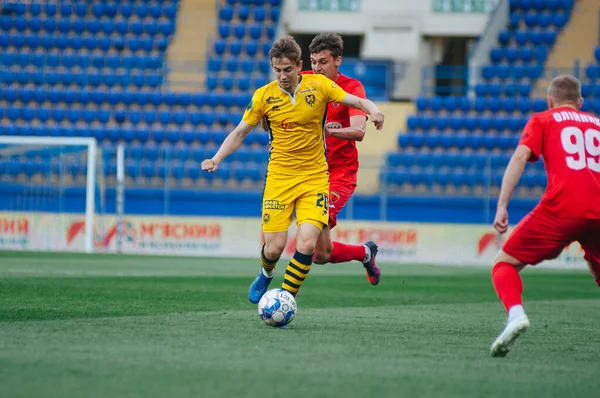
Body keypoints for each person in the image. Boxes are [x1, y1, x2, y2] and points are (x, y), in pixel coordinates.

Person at [201, 36, 385, 305]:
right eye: (278, 70)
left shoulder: (323, 86)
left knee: (308, 243)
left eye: (289, 69)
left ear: (298, 67)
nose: (284, 75)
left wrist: (375, 111)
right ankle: (267, 272)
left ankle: (285, 300)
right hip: (280, 178)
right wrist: (216, 158)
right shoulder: (265, 95)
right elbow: (241, 131)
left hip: (322, 175)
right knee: (288, 249)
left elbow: (359, 113)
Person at [489, 74, 600, 357]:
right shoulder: (598, 125)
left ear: (550, 101)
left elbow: (520, 157)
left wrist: (502, 205)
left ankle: (516, 316)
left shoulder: (543, 119)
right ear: (581, 102)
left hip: (562, 208)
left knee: (503, 264)